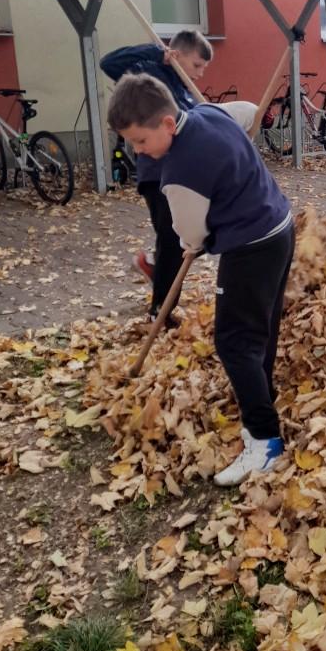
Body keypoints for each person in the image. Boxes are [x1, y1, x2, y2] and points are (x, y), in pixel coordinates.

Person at [107, 73, 294, 487]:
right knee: (259, 329)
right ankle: (261, 395)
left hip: (251, 246)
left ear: (166, 124)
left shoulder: (178, 172)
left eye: (140, 141)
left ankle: (264, 440)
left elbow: (191, 234)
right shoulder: (207, 112)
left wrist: (192, 242)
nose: (139, 151)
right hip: (280, 227)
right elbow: (247, 112)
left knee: (233, 341)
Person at [101, 32, 211, 321]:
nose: (200, 73)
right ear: (177, 54)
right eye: (197, 65)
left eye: (203, 68)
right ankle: (160, 312)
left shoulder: (185, 91)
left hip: (184, 175)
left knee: (201, 234)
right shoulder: (150, 76)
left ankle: (154, 263)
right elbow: (109, 63)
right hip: (158, 175)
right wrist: (155, 52)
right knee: (174, 242)